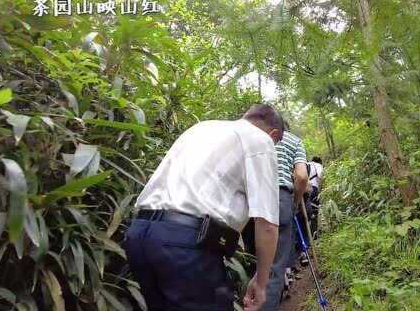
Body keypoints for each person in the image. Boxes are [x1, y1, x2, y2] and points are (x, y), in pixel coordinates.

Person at [123, 104, 284, 311]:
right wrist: (261, 283)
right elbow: (267, 224)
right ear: (273, 134)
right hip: (185, 245)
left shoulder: (202, 128)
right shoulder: (261, 140)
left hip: (139, 235)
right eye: (276, 143)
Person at [262, 120, 308, 311]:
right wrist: (296, 200)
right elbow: (302, 176)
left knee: (255, 260)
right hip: (281, 199)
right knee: (274, 266)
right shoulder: (294, 141)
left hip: (256, 197)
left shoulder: (260, 137)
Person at [307, 156, 323, 237]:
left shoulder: (306, 164)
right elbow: (320, 176)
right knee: (314, 211)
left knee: (306, 211)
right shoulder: (318, 165)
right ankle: (314, 233)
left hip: (304, 189)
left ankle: (306, 234)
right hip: (313, 189)